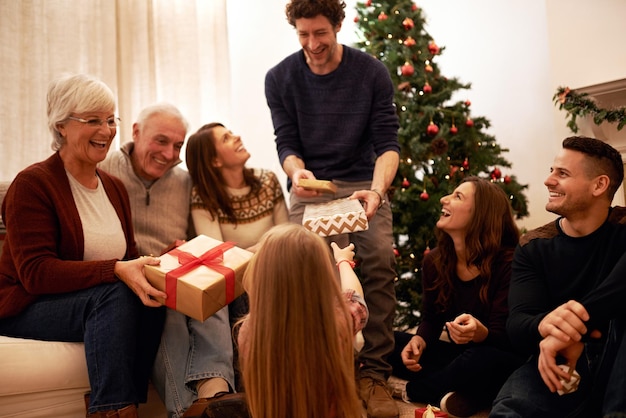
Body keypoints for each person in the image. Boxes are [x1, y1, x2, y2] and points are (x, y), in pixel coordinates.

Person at [0, 73, 166, 417]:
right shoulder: (32, 184)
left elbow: (128, 258)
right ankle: (113, 408)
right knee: (116, 292)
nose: (106, 131)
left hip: (95, 302)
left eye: (110, 120)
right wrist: (115, 270)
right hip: (26, 305)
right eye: (93, 120)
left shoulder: (115, 187)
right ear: (61, 125)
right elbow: (35, 274)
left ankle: (140, 402)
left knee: (153, 298)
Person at [265, 0, 401, 415]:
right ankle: (322, 372)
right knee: (305, 267)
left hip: (364, 182)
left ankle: (374, 374)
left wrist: (377, 193)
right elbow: (286, 142)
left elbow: (388, 145)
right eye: (303, 34)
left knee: (376, 260)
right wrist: (295, 173)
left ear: (339, 26)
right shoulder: (280, 78)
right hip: (312, 186)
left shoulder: (370, 72)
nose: (312, 43)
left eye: (320, 33)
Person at [99, 106, 244, 418]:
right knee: (168, 311)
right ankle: (184, 411)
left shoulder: (184, 181)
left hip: (174, 268)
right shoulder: (104, 170)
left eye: (178, 146)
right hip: (130, 275)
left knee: (213, 293)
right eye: (161, 141)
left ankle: (215, 395)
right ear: (135, 132)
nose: (169, 154)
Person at [490, 136, 626, 417]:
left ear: (599, 185)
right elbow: (517, 324)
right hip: (559, 359)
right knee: (510, 410)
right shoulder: (534, 245)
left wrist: (573, 326)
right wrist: (545, 326)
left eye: (562, 173)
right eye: (552, 171)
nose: (548, 181)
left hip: (618, 355)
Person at [386, 177, 523, 417]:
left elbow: (509, 338)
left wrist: (481, 332)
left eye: (458, 196)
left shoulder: (509, 263)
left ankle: (413, 390)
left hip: (496, 354)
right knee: (389, 341)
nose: (443, 199)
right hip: (461, 357)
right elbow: (431, 318)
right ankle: (468, 397)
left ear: (481, 214)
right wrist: (420, 340)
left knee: (480, 360)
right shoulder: (435, 260)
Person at [185, 122, 289, 393]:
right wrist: (266, 245)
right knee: (238, 292)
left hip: (275, 271)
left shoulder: (267, 181)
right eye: (227, 138)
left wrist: (253, 251)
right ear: (214, 160)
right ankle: (246, 391)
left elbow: (286, 236)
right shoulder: (204, 196)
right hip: (236, 283)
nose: (238, 136)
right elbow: (218, 257)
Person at [237, 223, 368, 418]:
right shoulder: (336, 322)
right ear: (321, 275)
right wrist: (343, 262)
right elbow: (356, 300)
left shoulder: (248, 331)